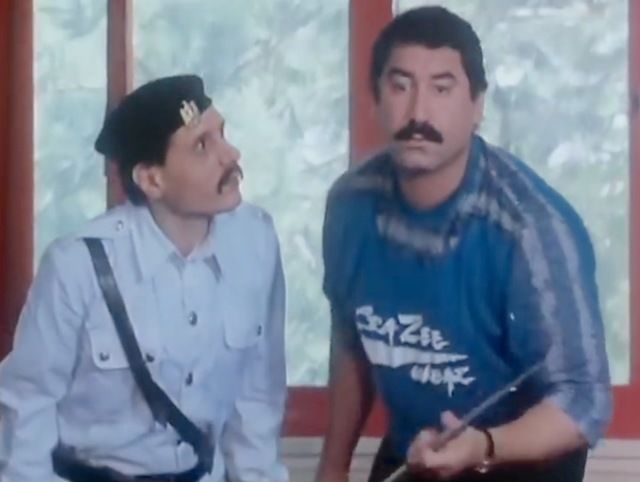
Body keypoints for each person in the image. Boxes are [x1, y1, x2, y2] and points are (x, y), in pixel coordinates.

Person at [315, 6, 611, 482]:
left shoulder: (530, 229)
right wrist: (332, 468)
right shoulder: (349, 205)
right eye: (401, 86)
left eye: (442, 88)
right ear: (375, 99)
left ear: (477, 106)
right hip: (418, 446)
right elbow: (351, 339)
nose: (418, 114)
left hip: (520, 455)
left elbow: (584, 400)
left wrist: (483, 445)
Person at [0, 75, 288, 482]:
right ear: (152, 179)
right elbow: (27, 407)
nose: (231, 155)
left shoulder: (255, 242)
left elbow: (257, 400)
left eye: (222, 135)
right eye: (202, 146)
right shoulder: (77, 265)